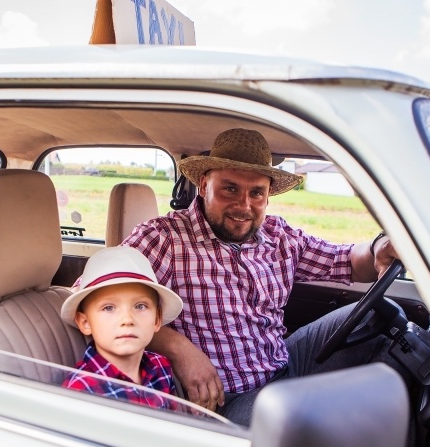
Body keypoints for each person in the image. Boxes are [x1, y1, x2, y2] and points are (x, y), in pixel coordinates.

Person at [122, 128, 401, 425]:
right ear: (204, 186)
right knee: (312, 427)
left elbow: (346, 261)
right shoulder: (164, 237)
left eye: (256, 193)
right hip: (230, 398)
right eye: (230, 189)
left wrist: (378, 247)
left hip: (286, 364)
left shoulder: (278, 235)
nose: (244, 206)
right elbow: (95, 298)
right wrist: (178, 348)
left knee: (377, 319)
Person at [61, 246, 184, 409]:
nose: (127, 320)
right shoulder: (82, 390)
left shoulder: (160, 366)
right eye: (109, 308)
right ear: (85, 323)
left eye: (140, 306)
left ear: (157, 319)